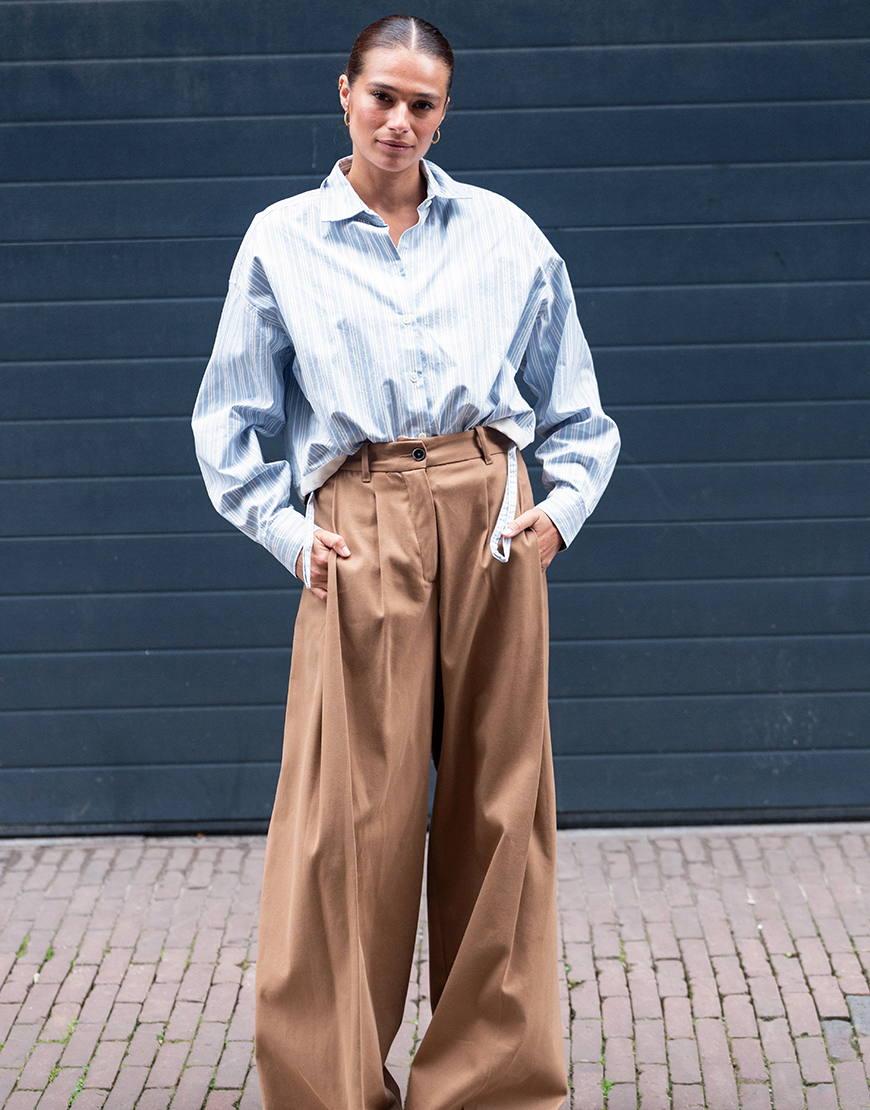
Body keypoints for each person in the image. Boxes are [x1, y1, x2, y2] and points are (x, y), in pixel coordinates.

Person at [192, 14, 620, 1110]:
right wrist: (291, 534)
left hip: (490, 516)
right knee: (348, 823)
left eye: (422, 103)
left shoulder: (505, 235)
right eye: (382, 95)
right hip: (359, 517)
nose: (399, 120)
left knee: (501, 809)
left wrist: (559, 514)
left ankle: (489, 1088)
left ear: (444, 113)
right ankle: (332, 1089)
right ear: (344, 93)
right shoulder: (282, 240)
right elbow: (227, 422)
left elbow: (578, 411)